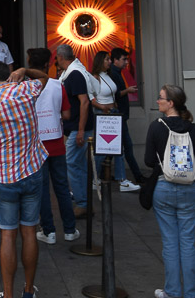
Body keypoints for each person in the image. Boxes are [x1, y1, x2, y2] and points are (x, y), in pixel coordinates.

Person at [0, 61, 48, 298]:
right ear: (10, 75)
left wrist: (0, 153)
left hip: (5, 174)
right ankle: (28, 290)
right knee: (29, 231)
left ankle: (8, 294)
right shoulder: (26, 89)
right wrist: (26, 71)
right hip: (32, 170)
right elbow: (45, 77)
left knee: (7, 234)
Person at [144, 84, 195, 298]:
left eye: (160, 97)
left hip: (163, 187)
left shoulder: (156, 127)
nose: (157, 101)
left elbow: (147, 160)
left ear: (170, 103)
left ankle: (171, 291)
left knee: (170, 243)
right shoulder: (192, 128)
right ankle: (192, 293)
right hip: (189, 190)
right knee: (187, 242)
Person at [27, 48, 80, 247]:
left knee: (41, 189)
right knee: (61, 187)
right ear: (48, 64)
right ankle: (69, 229)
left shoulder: (24, 86)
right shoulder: (58, 85)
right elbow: (67, 114)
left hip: (36, 143)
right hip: (56, 141)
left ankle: (48, 230)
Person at [55, 43, 94, 218]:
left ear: (61, 57)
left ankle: (83, 203)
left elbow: (84, 102)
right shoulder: (70, 73)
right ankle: (85, 201)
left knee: (72, 163)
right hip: (76, 128)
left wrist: (80, 130)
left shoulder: (75, 74)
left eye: (56, 58)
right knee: (78, 165)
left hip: (79, 128)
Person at [90, 50, 138, 192]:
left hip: (113, 113)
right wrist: (102, 107)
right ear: (100, 61)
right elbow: (90, 98)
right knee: (102, 149)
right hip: (102, 114)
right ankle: (96, 179)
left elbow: (113, 93)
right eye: (106, 59)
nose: (109, 62)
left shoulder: (108, 75)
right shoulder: (95, 77)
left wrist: (113, 105)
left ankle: (121, 179)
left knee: (118, 148)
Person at [109, 47, 144, 184]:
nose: (126, 62)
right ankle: (135, 176)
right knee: (125, 147)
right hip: (118, 116)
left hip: (120, 116)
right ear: (115, 60)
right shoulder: (113, 73)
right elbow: (115, 94)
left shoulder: (117, 72)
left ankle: (99, 175)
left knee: (112, 149)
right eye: (124, 59)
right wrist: (127, 90)